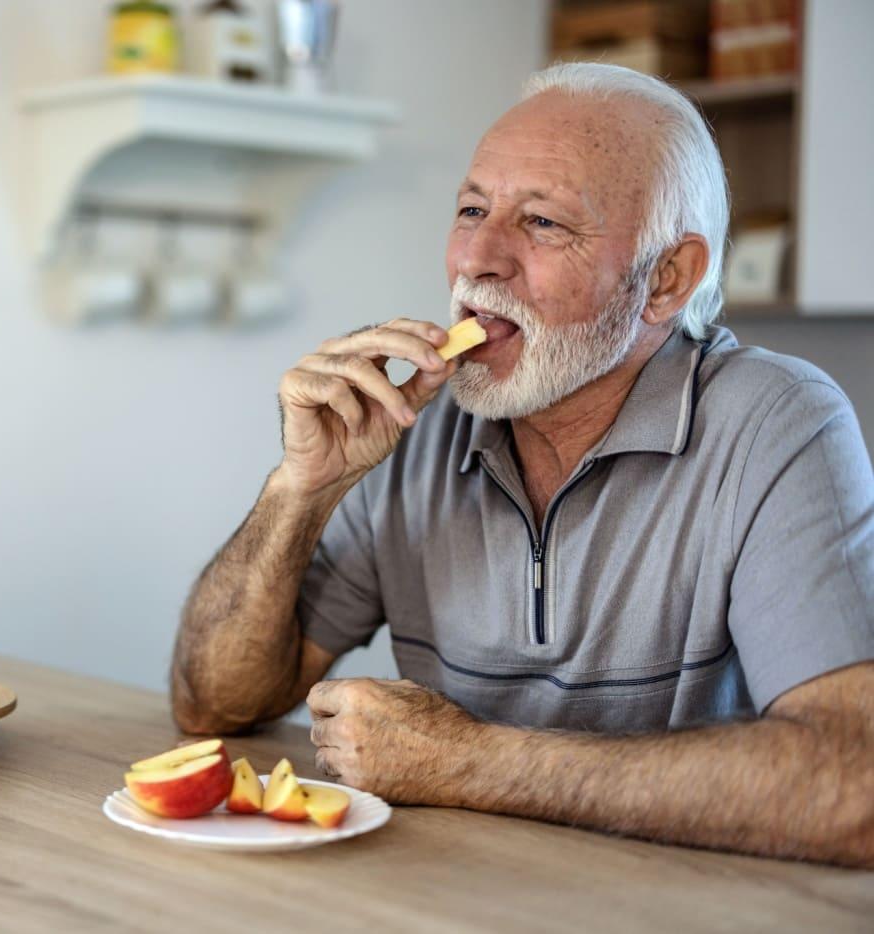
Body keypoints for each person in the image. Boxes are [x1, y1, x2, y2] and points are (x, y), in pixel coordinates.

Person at [171, 63, 874, 867]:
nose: (476, 258)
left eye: (541, 222)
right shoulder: (416, 430)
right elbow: (213, 704)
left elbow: (854, 786)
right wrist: (301, 490)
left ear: (666, 279)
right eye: (471, 209)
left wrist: (465, 762)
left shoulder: (779, 424)